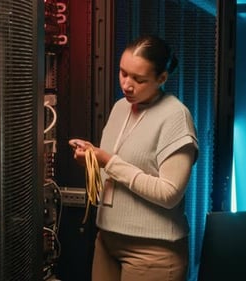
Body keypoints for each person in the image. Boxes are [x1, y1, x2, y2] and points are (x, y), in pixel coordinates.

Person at [69, 35, 198, 281]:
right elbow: (115, 178)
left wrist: (108, 161)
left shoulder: (175, 117)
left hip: (152, 251)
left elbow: (169, 194)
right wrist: (91, 163)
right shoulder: (121, 107)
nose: (127, 85)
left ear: (162, 79)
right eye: (123, 73)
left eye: (139, 79)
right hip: (107, 240)